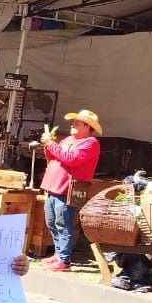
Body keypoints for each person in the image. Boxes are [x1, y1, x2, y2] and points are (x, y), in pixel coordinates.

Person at [40, 108, 102, 272]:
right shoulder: (68, 139)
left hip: (67, 187)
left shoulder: (91, 143)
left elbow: (71, 159)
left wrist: (50, 144)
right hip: (54, 185)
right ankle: (59, 253)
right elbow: (53, 157)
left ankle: (64, 259)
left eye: (77, 122)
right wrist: (48, 146)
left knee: (63, 223)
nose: (73, 124)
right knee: (51, 221)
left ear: (88, 126)